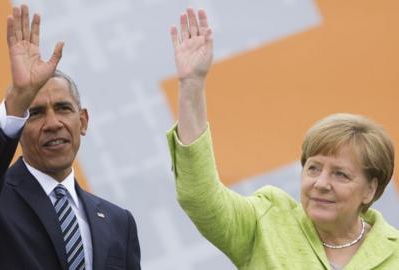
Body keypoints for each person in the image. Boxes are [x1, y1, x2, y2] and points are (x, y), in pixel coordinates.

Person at [167, 8, 399, 269]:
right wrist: (192, 84)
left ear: (370, 189)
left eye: (340, 174)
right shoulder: (265, 220)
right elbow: (200, 197)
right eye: (313, 168)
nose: (321, 183)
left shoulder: (394, 253)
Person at [0, 5, 140, 270]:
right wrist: (17, 100)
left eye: (63, 108)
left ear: (82, 121)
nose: (52, 123)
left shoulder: (118, 222)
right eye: (35, 113)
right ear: (21, 125)